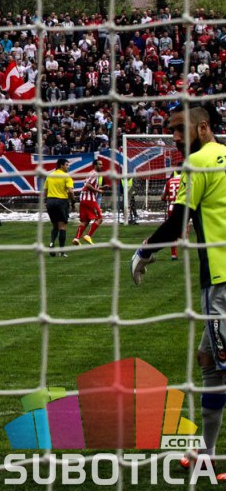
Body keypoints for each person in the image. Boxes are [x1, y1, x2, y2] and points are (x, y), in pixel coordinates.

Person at [131, 105, 226, 480]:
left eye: (179, 129)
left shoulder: (198, 163)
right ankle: (207, 453)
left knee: (221, 362)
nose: (173, 137)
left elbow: (178, 221)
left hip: (220, 280)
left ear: (202, 128)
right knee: (209, 360)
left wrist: (144, 252)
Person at [44, 158, 76, 257]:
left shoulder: (50, 175)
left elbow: (45, 190)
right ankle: (62, 252)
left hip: (50, 201)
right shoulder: (66, 176)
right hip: (61, 202)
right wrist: (73, 202)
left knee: (55, 226)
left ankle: (51, 244)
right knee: (62, 226)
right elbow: (70, 191)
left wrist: (46, 201)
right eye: (66, 165)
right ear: (61, 165)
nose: (68, 167)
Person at [73, 160, 107, 246]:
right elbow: (88, 185)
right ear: (95, 165)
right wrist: (98, 191)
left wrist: (101, 187)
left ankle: (76, 238)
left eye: (102, 164)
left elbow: (89, 184)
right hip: (90, 199)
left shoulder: (91, 173)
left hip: (83, 199)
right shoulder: (95, 174)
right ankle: (88, 236)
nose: (102, 166)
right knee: (100, 218)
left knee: (85, 220)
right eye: (100, 164)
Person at [163, 171, 185, 260]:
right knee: (184, 228)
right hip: (182, 207)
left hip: (171, 208)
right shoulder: (185, 180)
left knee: (172, 231)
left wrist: (168, 199)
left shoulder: (169, 181)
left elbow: (163, 197)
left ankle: (174, 255)